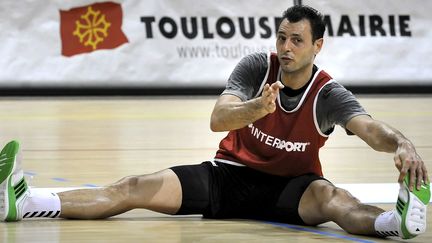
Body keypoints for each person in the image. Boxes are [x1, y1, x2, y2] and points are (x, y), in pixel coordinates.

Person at [0, 5, 430, 240]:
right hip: (228, 177)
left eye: (297, 40)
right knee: (130, 188)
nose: (285, 46)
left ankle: (397, 222)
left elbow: (371, 129)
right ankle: (28, 202)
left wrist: (403, 144)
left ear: (317, 46)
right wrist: (253, 111)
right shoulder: (254, 68)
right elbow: (217, 119)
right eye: (281, 36)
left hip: (293, 188)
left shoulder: (328, 93)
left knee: (338, 201)